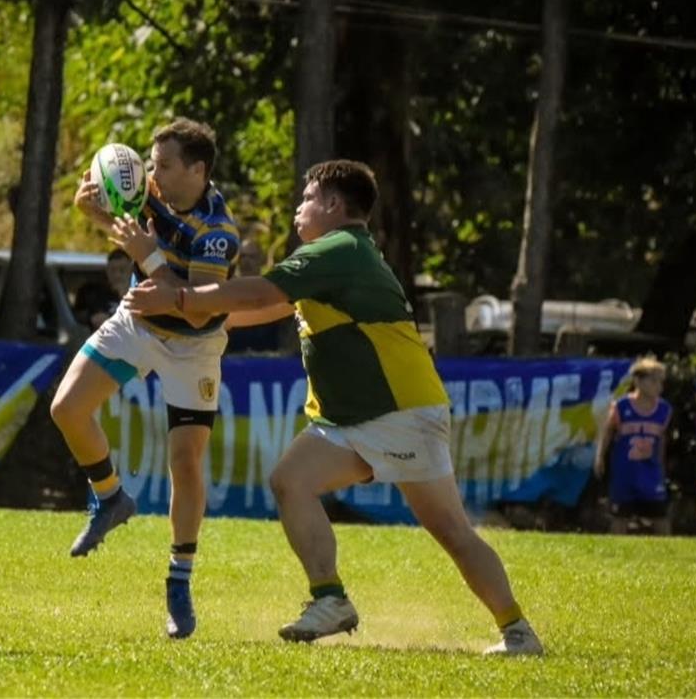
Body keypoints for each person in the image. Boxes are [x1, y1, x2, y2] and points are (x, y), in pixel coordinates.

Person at [124, 159, 543, 656]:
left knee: (451, 531)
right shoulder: (336, 257)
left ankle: (516, 631)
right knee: (290, 480)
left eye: (306, 198)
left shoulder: (337, 249)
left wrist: (180, 298)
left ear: (332, 205)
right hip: (356, 416)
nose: (299, 207)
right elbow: (256, 308)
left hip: (398, 412)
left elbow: (260, 291)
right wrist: (180, 312)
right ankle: (330, 599)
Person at [49, 118, 239, 640]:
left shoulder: (218, 234)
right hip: (137, 322)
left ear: (198, 171)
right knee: (66, 409)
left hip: (193, 346)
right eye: (151, 163)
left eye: (165, 165)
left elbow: (199, 310)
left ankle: (179, 579)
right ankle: (111, 496)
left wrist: (147, 256)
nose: (152, 173)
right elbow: (117, 218)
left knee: (185, 461)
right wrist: (93, 208)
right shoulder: (148, 190)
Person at [594, 357, 672, 535]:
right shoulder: (622, 407)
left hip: (650, 472)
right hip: (625, 471)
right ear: (638, 381)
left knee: (660, 517)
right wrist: (600, 457)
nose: (658, 386)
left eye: (661, 382)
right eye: (653, 381)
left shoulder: (663, 410)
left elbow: (662, 440)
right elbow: (607, 433)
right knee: (620, 517)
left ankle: (668, 553)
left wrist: (661, 467)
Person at [225, 234, 286, 353]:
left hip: (271, 363)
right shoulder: (228, 291)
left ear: (261, 259)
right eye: (242, 256)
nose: (246, 261)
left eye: (251, 256)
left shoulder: (273, 290)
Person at [73, 249, 133, 331]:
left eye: (122, 270)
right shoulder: (95, 294)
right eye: (113, 270)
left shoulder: (140, 293)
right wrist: (91, 318)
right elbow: (78, 317)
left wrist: (124, 295)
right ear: (107, 271)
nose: (117, 275)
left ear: (131, 271)